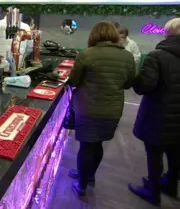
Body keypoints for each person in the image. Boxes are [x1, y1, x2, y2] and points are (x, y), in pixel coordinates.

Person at [67, 22, 136, 197]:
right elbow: (128, 84)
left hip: (88, 108)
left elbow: (73, 82)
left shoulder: (86, 54)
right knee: (97, 144)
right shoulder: (127, 56)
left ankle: (81, 184)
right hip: (112, 111)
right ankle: (90, 176)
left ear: (94, 35)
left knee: (86, 146)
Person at [128, 18, 180, 206]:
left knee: (154, 153)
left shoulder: (157, 56)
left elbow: (145, 86)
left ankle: (153, 190)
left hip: (159, 115)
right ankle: (171, 185)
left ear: (167, 33)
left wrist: (135, 79)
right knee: (175, 152)